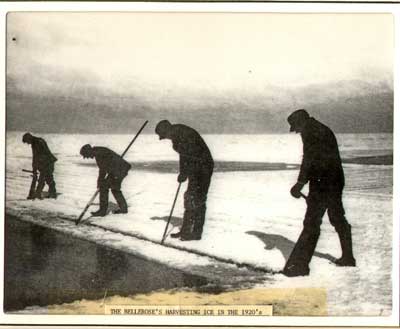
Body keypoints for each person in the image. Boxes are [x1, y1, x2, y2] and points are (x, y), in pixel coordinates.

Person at [283, 109, 356, 277]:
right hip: (334, 181)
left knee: (311, 223)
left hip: (323, 183)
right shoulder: (319, 128)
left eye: (296, 127)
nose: (297, 131)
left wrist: (300, 184)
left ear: (301, 122)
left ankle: (300, 266)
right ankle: (348, 257)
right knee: (337, 218)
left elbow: (309, 159)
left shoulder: (311, 131)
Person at [155, 120, 214, 241]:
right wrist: (183, 172)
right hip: (196, 167)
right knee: (190, 197)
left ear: (167, 131)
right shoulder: (177, 134)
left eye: (164, 136)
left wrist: (185, 173)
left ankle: (196, 233)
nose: (164, 138)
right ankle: (186, 231)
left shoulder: (182, 134)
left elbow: (190, 155)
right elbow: (184, 156)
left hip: (203, 168)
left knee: (197, 199)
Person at [80, 144, 131, 217]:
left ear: (89, 151)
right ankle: (123, 208)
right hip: (117, 169)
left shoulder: (99, 153)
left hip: (119, 170)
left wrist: (100, 182)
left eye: (86, 155)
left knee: (105, 188)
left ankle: (102, 211)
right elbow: (103, 169)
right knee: (113, 188)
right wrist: (100, 181)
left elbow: (102, 170)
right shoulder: (98, 151)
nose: (87, 157)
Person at [22, 132, 57, 200]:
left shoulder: (38, 142)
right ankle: (51, 193)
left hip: (48, 162)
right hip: (44, 163)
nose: (28, 143)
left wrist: (38, 167)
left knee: (45, 178)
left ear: (29, 138)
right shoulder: (34, 143)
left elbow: (43, 154)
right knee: (47, 178)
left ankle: (40, 194)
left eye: (27, 141)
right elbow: (35, 157)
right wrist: (34, 168)